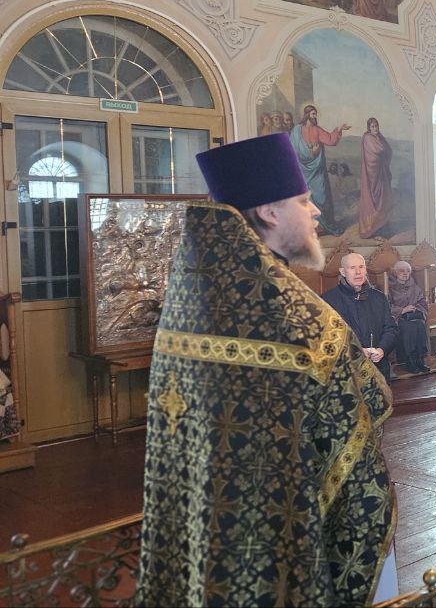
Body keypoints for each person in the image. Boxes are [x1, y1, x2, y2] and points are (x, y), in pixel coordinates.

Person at [138, 133, 394, 606]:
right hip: (279, 549)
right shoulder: (305, 321)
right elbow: (365, 413)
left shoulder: (191, 295)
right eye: (304, 200)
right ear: (270, 212)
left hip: (201, 537)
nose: (316, 212)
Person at [322, 253, 399, 383]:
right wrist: (355, 351)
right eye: (352, 268)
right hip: (347, 373)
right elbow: (327, 337)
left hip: (378, 369)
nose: (358, 272)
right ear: (343, 272)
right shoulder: (328, 300)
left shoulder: (379, 297)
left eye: (361, 267)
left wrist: (382, 349)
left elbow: (391, 329)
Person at [290, 104, 350, 235]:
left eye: (315, 114)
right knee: (306, 198)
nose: (315, 116)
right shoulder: (296, 131)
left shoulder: (317, 130)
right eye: (312, 114)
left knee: (322, 196)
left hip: (317, 171)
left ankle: (323, 226)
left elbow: (330, 140)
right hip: (303, 172)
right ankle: (310, 227)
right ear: (306, 115)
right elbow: (292, 151)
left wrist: (339, 129)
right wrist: (311, 153)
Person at [388, 259, 429, 375]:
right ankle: (409, 361)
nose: (405, 273)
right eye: (401, 271)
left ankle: (420, 360)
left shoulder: (415, 287)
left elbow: (422, 302)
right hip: (398, 318)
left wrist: (417, 309)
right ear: (395, 272)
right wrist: (402, 310)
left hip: (414, 317)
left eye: (408, 271)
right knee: (407, 328)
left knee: (420, 325)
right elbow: (386, 305)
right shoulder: (389, 287)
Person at [358, 117, 393, 238]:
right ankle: (372, 227)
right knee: (373, 198)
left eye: (376, 126)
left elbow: (388, 149)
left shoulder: (379, 137)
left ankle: (382, 225)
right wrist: (382, 150)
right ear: (369, 128)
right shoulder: (367, 138)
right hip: (372, 174)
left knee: (383, 198)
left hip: (381, 174)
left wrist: (383, 151)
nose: (375, 128)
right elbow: (377, 150)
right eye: (372, 126)